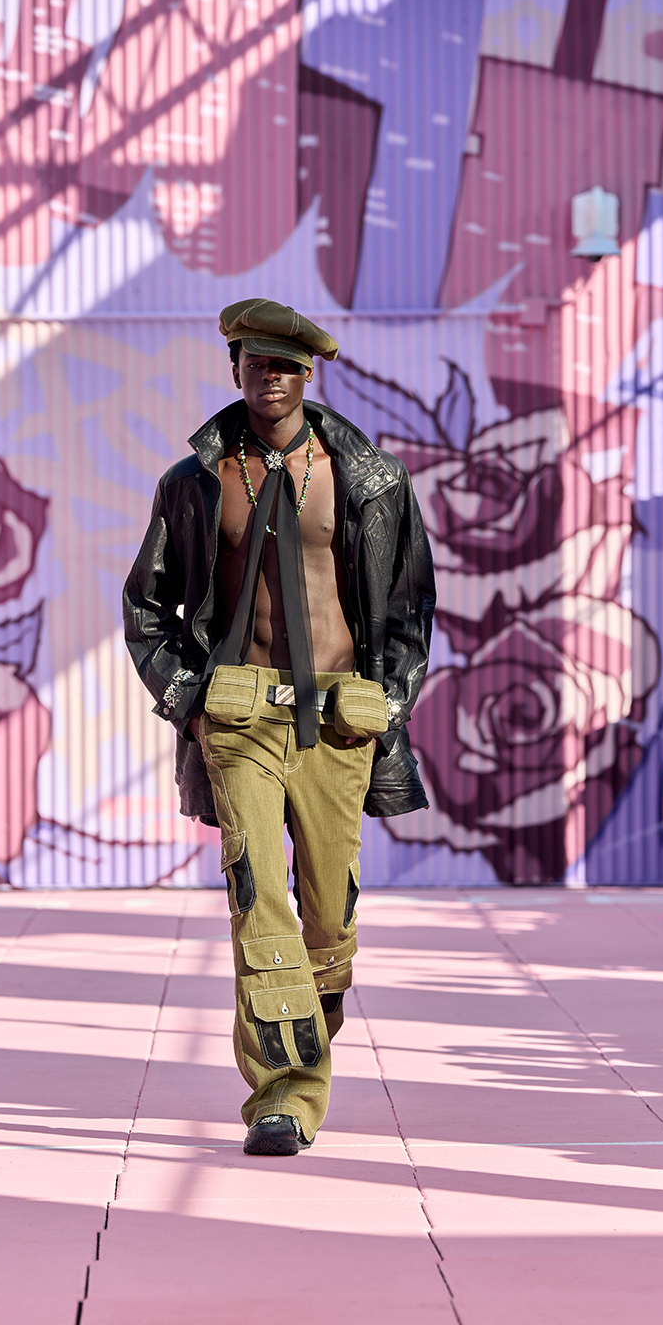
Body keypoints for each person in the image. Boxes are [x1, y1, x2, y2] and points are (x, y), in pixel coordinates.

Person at [123, 298, 435, 1156]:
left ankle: (306, 1046)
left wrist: (390, 702)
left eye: (289, 365)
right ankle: (283, 1096)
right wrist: (189, 698)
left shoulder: (371, 479)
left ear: (310, 375)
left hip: (339, 720)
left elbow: (409, 608)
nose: (273, 377)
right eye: (258, 362)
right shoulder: (194, 482)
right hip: (238, 717)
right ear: (235, 369)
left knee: (329, 921)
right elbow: (147, 607)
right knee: (258, 895)